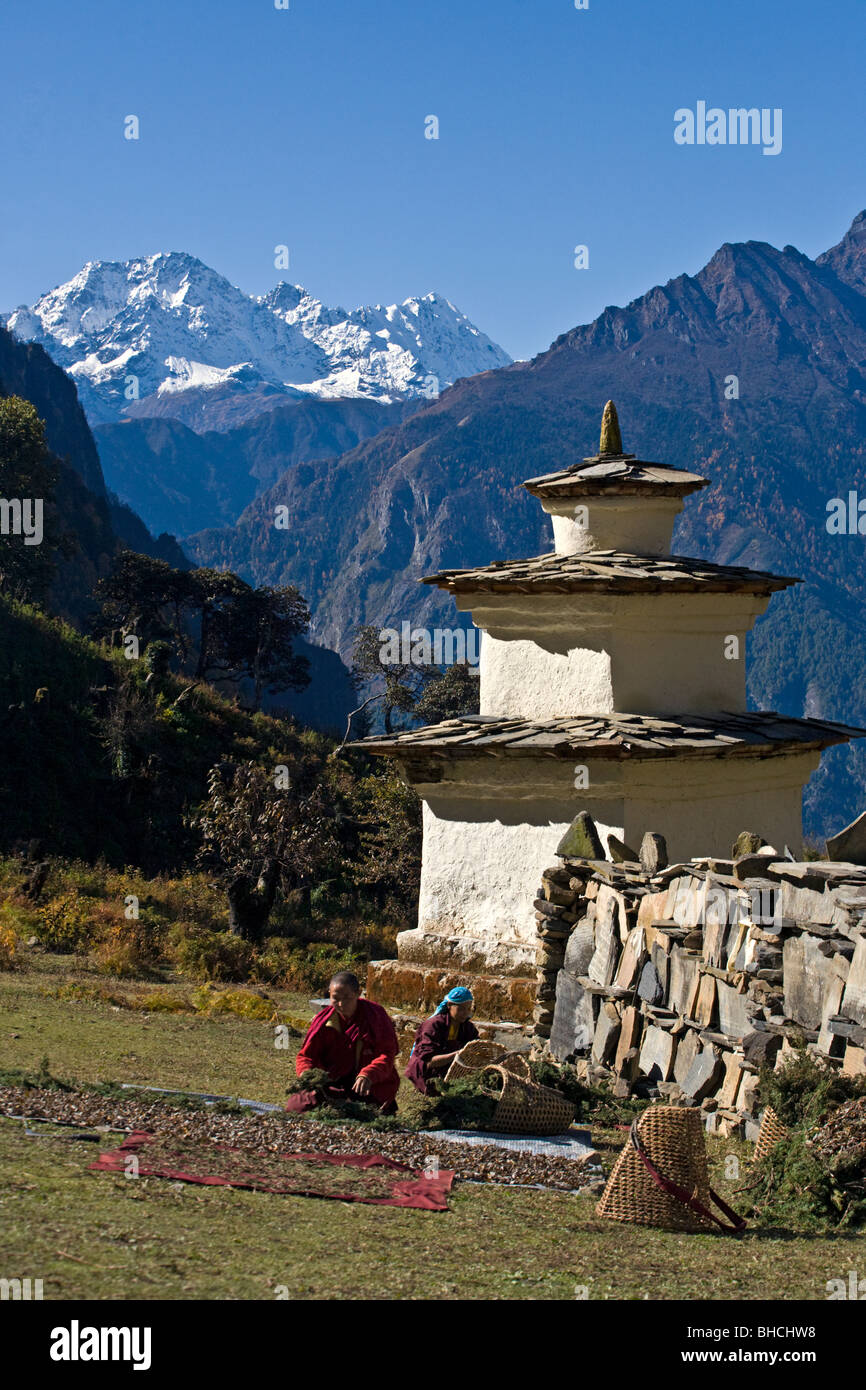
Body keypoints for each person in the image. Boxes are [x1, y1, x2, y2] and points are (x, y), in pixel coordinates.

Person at [290, 971, 401, 1115]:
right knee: (296, 1107)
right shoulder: (324, 1020)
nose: (341, 1004)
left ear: (358, 993)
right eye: (335, 998)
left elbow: (387, 1054)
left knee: (360, 1115)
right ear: (329, 994)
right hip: (331, 1083)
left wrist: (368, 1074)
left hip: (365, 1086)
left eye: (347, 998)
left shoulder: (375, 1016)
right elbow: (306, 1056)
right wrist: (308, 1074)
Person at [405, 986, 479, 1095]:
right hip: (427, 1072)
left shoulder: (467, 1027)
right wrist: (458, 1054)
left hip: (450, 1071)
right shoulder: (433, 1025)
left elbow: (476, 1046)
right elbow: (429, 1061)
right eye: (461, 1009)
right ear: (449, 1005)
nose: (466, 1013)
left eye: (468, 1009)